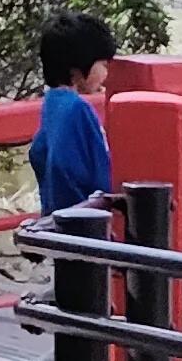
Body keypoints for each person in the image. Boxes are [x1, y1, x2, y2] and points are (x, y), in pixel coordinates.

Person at [28, 11, 117, 218]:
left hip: (55, 218)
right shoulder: (78, 109)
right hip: (83, 222)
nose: (106, 73)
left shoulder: (52, 102)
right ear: (78, 66)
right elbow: (100, 178)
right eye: (103, 65)